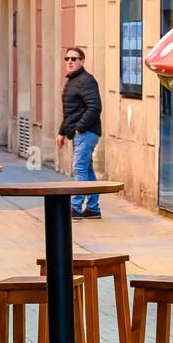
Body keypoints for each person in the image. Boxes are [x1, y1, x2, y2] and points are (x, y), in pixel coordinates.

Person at [56, 47, 103, 219]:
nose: (69, 61)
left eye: (73, 59)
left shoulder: (86, 80)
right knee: (87, 170)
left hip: (87, 132)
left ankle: (75, 208)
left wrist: (79, 128)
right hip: (81, 132)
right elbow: (71, 111)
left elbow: (95, 107)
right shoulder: (73, 80)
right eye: (67, 58)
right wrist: (62, 132)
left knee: (79, 168)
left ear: (82, 61)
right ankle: (93, 208)